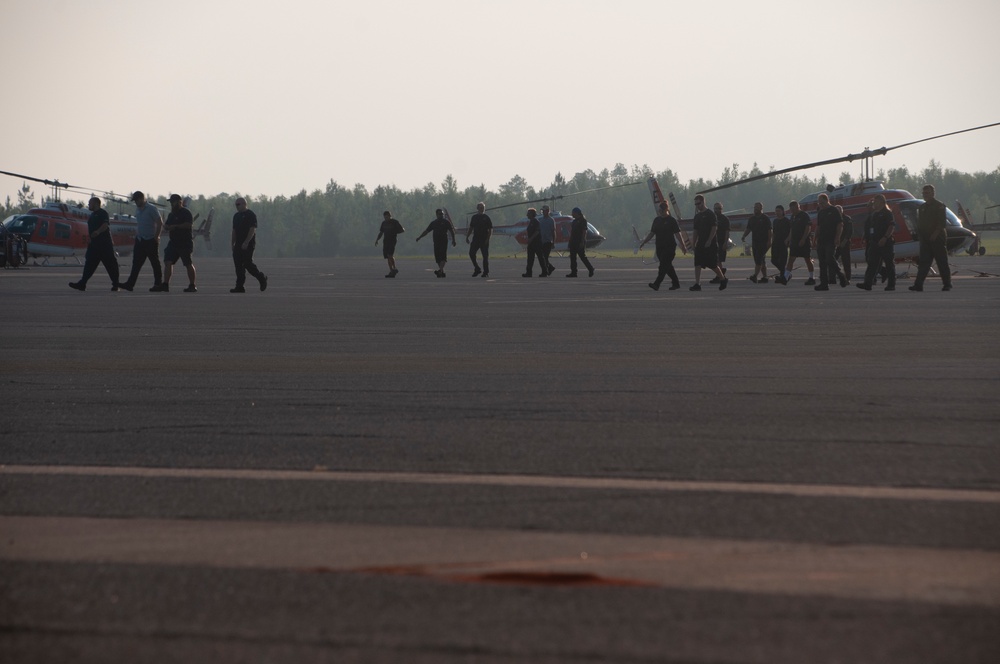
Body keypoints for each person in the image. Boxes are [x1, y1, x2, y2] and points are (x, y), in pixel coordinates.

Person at [68, 197, 121, 291]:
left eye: (90, 203)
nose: (88, 205)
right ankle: (82, 284)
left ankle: (116, 284)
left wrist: (97, 232)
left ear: (96, 204)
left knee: (111, 265)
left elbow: (105, 225)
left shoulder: (103, 213)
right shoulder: (92, 215)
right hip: (94, 244)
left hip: (104, 244)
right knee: (89, 264)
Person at [910, 184, 953, 292]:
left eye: (927, 193)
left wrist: (935, 233)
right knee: (924, 263)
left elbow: (942, 223)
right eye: (924, 193)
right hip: (925, 239)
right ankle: (918, 285)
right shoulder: (922, 207)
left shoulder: (939, 206)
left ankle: (947, 284)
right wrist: (921, 237)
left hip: (937, 238)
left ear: (933, 194)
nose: (925, 195)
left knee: (942, 262)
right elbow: (920, 224)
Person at [119, 190, 163, 292]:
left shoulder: (152, 209)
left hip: (150, 240)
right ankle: (130, 284)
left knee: (155, 263)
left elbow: (159, 223)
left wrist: (157, 237)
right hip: (140, 240)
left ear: (142, 199)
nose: (135, 203)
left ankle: (158, 284)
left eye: (137, 200)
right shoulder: (138, 210)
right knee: (136, 263)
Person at [639, 201, 685, 290]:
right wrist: (644, 242)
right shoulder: (657, 220)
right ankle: (676, 283)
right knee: (667, 266)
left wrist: (683, 245)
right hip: (660, 247)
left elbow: (678, 234)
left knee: (663, 266)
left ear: (667, 209)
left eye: (662, 210)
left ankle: (657, 284)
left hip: (670, 247)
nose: (660, 212)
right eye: (659, 210)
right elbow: (652, 233)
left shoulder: (672, 220)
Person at [857, 194, 896, 291]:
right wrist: (867, 238)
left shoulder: (887, 213)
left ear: (882, 202)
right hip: (874, 242)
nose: (874, 203)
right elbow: (870, 228)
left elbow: (891, 226)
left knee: (889, 264)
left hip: (885, 242)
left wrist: (885, 237)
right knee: (872, 264)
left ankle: (891, 285)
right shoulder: (874, 214)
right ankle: (867, 283)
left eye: (876, 201)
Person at [689, 194, 728, 291]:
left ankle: (723, 279)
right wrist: (693, 243)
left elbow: (714, 228)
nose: (697, 205)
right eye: (696, 204)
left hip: (711, 244)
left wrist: (710, 240)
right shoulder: (697, 217)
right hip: (700, 243)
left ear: (703, 202)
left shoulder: (711, 214)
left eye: (698, 203)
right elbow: (695, 231)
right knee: (697, 263)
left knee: (713, 264)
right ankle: (697, 284)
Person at [160, 194, 197, 292]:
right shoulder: (171, 214)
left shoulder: (186, 212)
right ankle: (165, 284)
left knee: (188, 263)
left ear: (179, 202)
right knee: (168, 261)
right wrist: (166, 227)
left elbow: (188, 224)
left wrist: (175, 227)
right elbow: (167, 224)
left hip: (185, 242)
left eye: (173, 202)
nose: (172, 204)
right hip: (173, 242)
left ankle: (192, 285)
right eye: (171, 202)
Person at [230, 197, 268, 292]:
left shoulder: (250, 215)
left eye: (238, 204)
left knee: (247, 263)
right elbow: (234, 231)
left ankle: (261, 278)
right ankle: (239, 286)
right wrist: (232, 243)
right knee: (238, 265)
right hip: (238, 244)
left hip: (248, 243)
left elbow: (252, 229)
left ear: (244, 204)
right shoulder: (236, 216)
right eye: (235, 205)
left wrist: (246, 242)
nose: (236, 206)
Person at [814, 193, 847, 291]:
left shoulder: (833, 210)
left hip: (831, 240)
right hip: (821, 240)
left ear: (827, 200)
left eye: (822, 203)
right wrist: (814, 239)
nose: (821, 205)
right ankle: (824, 284)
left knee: (829, 258)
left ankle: (841, 276)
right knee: (822, 263)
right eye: (819, 203)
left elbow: (840, 224)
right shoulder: (820, 212)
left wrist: (837, 237)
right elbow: (818, 227)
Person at [415, 208, 455, 277]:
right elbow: (426, 231)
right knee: (437, 258)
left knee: (443, 257)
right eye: (440, 214)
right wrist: (420, 237)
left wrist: (454, 240)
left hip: (443, 241)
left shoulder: (446, 222)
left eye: (442, 214)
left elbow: (451, 231)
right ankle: (441, 272)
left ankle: (440, 270)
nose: (441, 215)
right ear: (436, 215)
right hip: (436, 242)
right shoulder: (434, 223)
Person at [783, 200, 815, 285]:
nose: (792, 211)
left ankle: (811, 277)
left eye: (794, 209)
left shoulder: (804, 215)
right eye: (791, 209)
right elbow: (792, 230)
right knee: (791, 259)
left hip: (804, 242)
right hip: (794, 241)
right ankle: (785, 277)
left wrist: (803, 239)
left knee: (807, 259)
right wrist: (788, 239)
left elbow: (808, 228)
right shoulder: (792, 217)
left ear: (798, 207)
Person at [741, 202, 772, 283]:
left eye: (757, 207)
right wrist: (744, 236)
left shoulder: (765, 218)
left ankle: (755, 276)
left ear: (761, 208)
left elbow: (769, 230)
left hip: (764, 242)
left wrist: (769, 241)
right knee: (761, 260)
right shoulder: (752, 219)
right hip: (755, 242)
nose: (755, 209)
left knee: (759, 259)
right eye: (755, 207)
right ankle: (765, 277)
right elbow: (748, 229)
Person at [566, 207, 595, 278]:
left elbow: (584, 232)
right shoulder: (574, 221)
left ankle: (590, 268)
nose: (572, 214)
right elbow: (572, 232)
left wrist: (582, 241)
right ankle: (574, 272)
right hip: (573, 241)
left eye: (573, 213)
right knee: (572, 258)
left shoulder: (583, 221)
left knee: (582, 257)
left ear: (576, 213)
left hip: (579, 241)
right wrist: (570, 241)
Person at [375, 210, 405, 278]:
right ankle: (391, 271)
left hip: (392, 240)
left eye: (387, 217)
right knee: (387, 256)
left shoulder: (395, 222)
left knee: (390, 255)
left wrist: (395, 232)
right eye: (385, 217)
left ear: (390, 216)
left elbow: (402, 230)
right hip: (386, 241)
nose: (386, 218)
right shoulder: (384, 223)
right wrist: (377, 240)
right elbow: (381, 232)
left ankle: (394, 268)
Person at [466, 202, 492, 277]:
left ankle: (486, 272)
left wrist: (488, 239)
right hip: (476, 239)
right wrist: (467, 236)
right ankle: (477, 268)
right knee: (471, 253)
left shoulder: (486, 217)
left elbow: (490, 229)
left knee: (485, 256)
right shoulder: (474, 217)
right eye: (480, 208)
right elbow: (471, 228)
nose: (482, 209)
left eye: (483, 208)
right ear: (477, 208)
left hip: (484, 239)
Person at [521, 208, 546, 277]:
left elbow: (537, 231)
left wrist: (531, 239)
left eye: (528, 213)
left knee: (540, 258)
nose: (527, 215)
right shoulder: (531, 221)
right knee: (530, 259)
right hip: (531, 244)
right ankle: (529, 272)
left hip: (537, 243)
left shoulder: (535, 222)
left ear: (532, 214)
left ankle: (544, 272)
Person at [770, 204, 790, 284]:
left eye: (779, 211)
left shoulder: (787, 221)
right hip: (776, 243)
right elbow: (774, 232)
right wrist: (772, 241)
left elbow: (790, 232)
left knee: (782, 261)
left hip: (783, 243)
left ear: (783, 211)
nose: (777, 212)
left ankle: (783, 277)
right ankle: (785, 273)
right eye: (776, 211)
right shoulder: (775, 221)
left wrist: (788, 240)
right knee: (773, 260)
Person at [712, 202, 731, 281]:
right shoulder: (712, 218)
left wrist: (725, 243)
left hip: (721, 241)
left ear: (722, 209)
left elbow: (727, 231)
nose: (717, 210)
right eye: (716, 208)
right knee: (714, 260)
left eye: (719, 208)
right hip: (713, 242)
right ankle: (721, 273)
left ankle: (720, 276)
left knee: (719, 260)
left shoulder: (725, 219)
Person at [836, 205, 854, 282]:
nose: (838, 212)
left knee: (846, 261)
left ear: (842, 211)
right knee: (833, 260)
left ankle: (848, 278)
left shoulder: (847, 219)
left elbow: (849, 231)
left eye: (839, 210)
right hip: (836, 243)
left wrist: (844, 241)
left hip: (845, 243)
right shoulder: (834, 219)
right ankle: (832, 277)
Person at [538, 205, 557, 276]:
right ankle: (550, 268)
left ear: (548, 211)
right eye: (542, 211)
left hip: (548, 242)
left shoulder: (551, 220)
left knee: (544, 257)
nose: (543, 212)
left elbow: (553, 231)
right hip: (541, 242)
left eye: (544, 211)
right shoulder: (540, 220)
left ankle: (544, 272)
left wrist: (553, 242)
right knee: (543, 258)